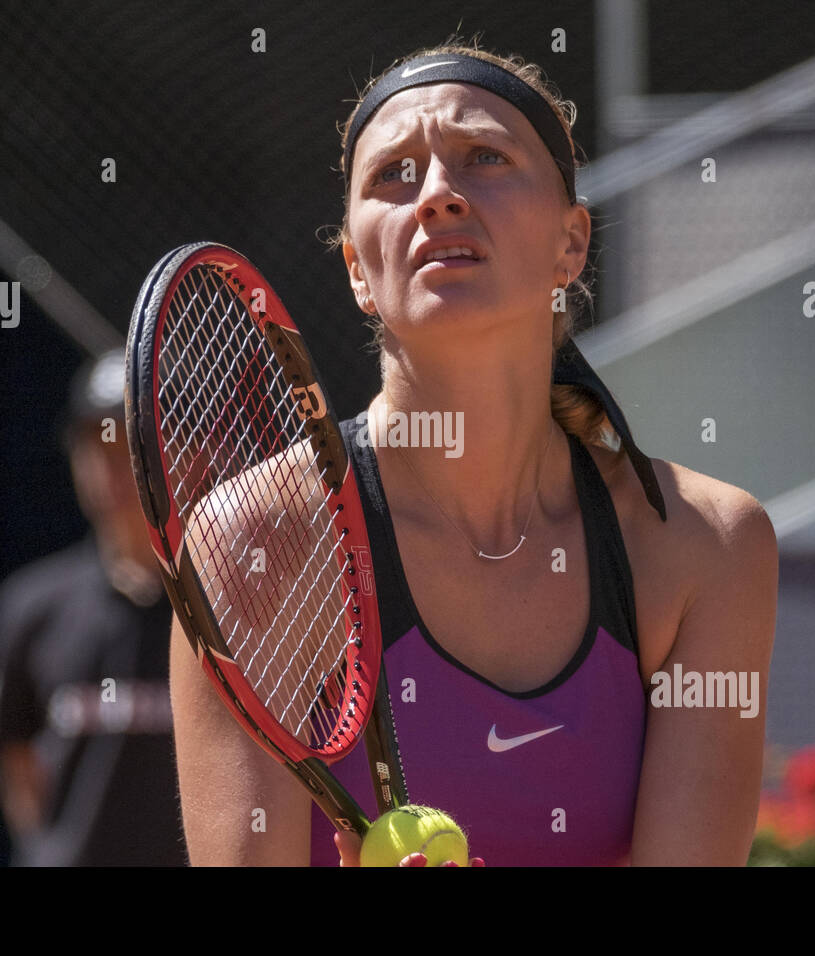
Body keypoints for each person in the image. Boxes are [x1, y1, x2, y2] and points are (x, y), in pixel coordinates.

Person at [169, 42, 779, 866]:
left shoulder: (707, 545)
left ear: (572, 243)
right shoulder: (252, 544)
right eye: (393, 174)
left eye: (484, 157)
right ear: (356, 267)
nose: (438, 197)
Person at [0, 349, 184, 866]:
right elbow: (12, 748)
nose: (113, 470)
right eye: (96, 445)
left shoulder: (227, 612)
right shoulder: (29, 607)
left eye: (130, 445)